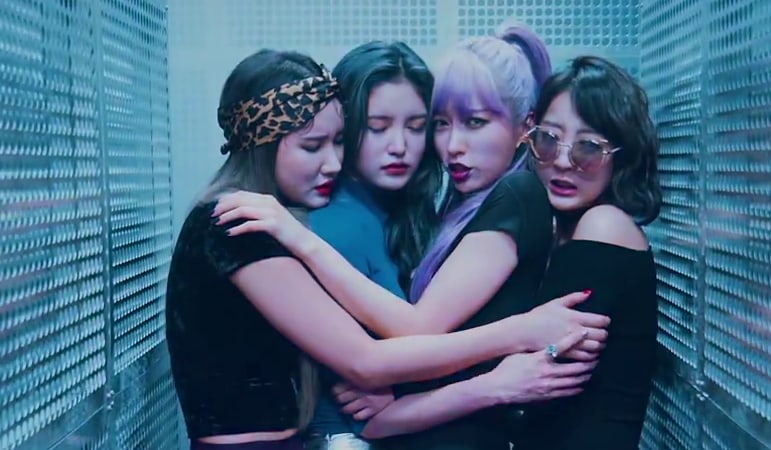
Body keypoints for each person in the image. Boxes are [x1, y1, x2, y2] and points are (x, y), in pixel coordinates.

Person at [166, 48, 606, 450]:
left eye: (338, 141)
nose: (332, 163)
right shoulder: (236, 223)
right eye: (312, 146)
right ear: (261, 146)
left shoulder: (280, 221)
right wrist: (520, 335)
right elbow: (366, 362)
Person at [508, 55, 662, 450]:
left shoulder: (605, 226)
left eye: (588, 147)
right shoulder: (558, 229)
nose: (562, 161)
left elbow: (543, 363)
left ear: (622, 155)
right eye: (548, 139)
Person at [303, 41, 443, 450]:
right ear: (345, 129)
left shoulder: (406, 215)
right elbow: (358, 379)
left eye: (415, 127)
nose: (399, 145)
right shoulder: (336, 225)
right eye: (378, 127)